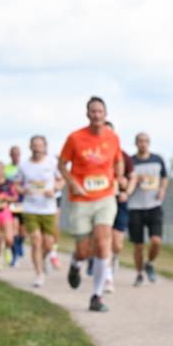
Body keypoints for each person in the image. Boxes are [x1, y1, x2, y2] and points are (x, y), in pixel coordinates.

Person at [58, 96, 124, 312]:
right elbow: (62, 164)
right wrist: (73, 183)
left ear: (106, 114)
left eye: (100, 111)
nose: (97, 115)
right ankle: (76, 263)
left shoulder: (112, 137)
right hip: (81, 200)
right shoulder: (75, 138)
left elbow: (118, 160)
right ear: (87, 114)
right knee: (84, 250)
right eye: (93, 111)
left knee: (103, 243)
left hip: (105, 198)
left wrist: (119, 177)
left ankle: (97, 296)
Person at [16, 135, 63, 287]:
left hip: (48, 208)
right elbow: (16, 184)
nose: (37, 148)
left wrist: (54, 189)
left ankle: (43, 259)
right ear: (30, 147)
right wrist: (23, 190)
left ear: (45, 147)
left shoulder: (52, 162)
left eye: (40, 145)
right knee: (36, 240)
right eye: (34, 145)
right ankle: (39, 274)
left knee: (48, 244)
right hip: (30, 208)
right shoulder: (24, 165)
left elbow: (62, 180)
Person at [125, 132, 168, 286]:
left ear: (149, 143)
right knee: (138, 245)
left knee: (156, 241)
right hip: (135, 207)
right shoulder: (130, 162)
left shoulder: (158, 159)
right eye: (140, 141)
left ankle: (149, 263)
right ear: (136, 143)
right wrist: (135, 180)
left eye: (146, 141)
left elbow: (164, 177)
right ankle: (139, 274)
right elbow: (124, 182)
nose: (143, 144)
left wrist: (162, 189)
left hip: (154, 205)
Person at [103, 121, 134, 293]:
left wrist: (126, 191)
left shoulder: (123, 156)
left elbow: (132, 177)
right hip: (101, 201)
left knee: (117, 243)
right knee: (104, 238)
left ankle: (114, 257)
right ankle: (108, 277)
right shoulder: (94, 155)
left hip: (119, 201)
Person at [4, 145, 26, 266]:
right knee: (14, 229)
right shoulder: (6, 169)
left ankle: (20, 244)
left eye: (17, 154)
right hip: (12, 202)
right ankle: (15, 254)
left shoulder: (25, 167)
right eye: (13, 154)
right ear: (10, 155)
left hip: (25, 202)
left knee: (23, 232)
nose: (15, 156)